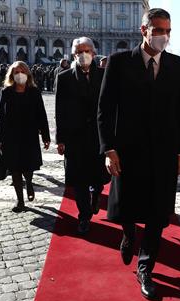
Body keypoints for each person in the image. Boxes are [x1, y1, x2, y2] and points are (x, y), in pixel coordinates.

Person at [98, 8, 180, 300]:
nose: (164, 36)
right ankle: (128, 233)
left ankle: (146, 267)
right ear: (144, 30)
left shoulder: (178, 65)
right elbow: (105, 109)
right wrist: (109, 149)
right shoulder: (120, 62)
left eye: (168, 31)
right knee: (127, 203)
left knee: (158, 211)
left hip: (163, 151)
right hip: (128, 150)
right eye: (159, 30)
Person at [55, 37, 110, 234]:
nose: (83, 54)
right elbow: (59, 110)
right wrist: (60, 139)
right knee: (78, 180)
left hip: (98, 135)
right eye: (79, 51)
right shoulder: (64, 77)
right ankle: (84, 216)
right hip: (74, 137)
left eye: (87, 50)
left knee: (97, 177)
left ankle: (96, 195)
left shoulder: (105, 75)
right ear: (73, 55)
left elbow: (112, 107)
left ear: (94, 53)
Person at [0, 61, 51, 212]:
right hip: (10, 136)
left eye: (22, 71)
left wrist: (46, 135)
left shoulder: (34, 92)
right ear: (12, 75)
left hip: (29, 134)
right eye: (16, 72)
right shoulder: (6, 92)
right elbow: (1, 116)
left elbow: (41, 114)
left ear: (28, 74)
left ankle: (30, 182)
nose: (20, 74)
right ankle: (20, 201)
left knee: (28, 165)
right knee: (15, 168)